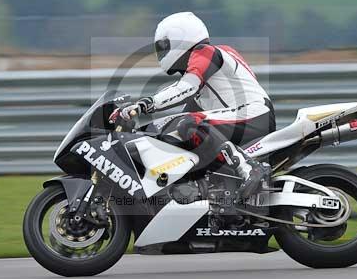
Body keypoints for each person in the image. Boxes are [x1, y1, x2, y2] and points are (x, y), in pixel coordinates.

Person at [109, 12, 275, 199]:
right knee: (183, 131)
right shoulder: (208, 79)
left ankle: (250, 169)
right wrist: (142, 132)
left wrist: (145, 105)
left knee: (190, 124)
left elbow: (186, 87)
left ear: (181, 39)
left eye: (164, 46)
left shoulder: (206, 52)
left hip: (252, 114)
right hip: (245, 116)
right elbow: (176, 120)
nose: (162, 53)